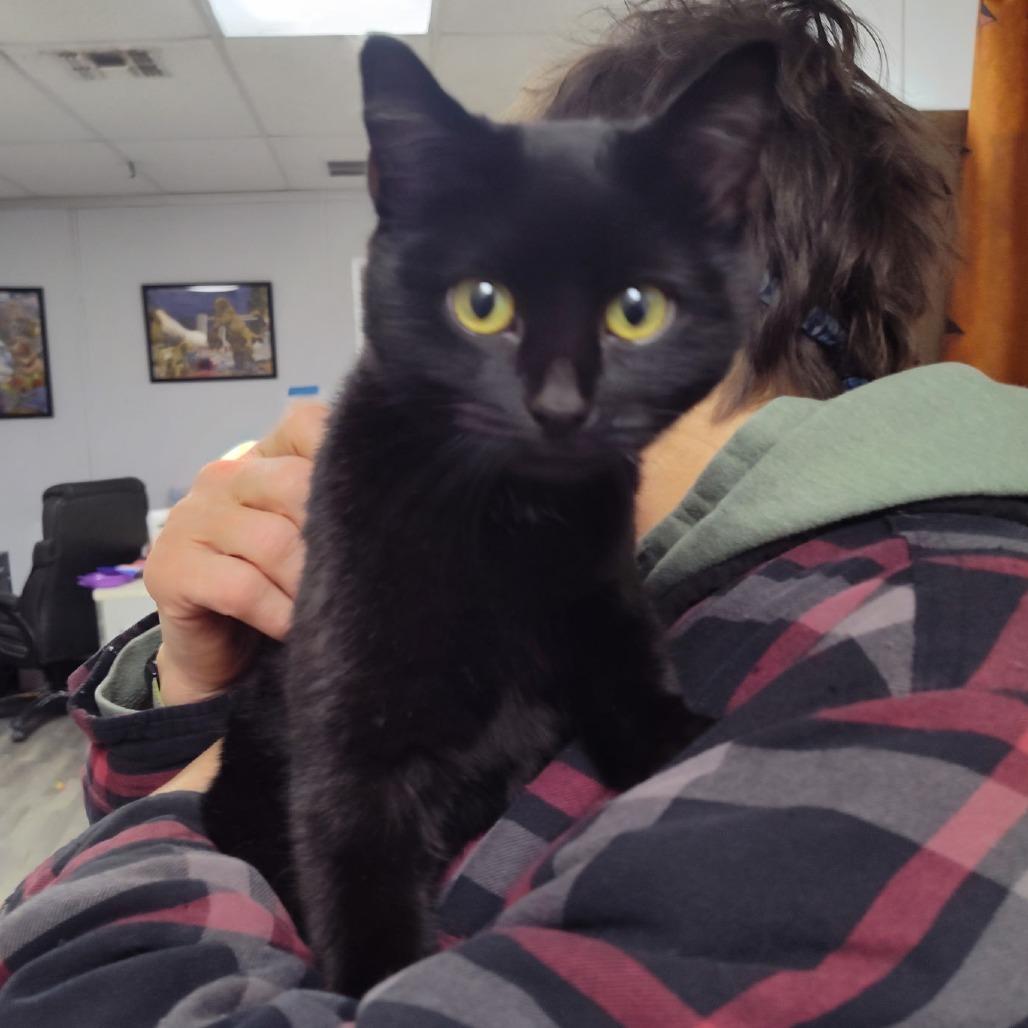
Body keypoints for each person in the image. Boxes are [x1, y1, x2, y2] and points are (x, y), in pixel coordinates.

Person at [3, 2, 1028, 1024]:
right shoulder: (622, 577)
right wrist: (211, 683)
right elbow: (309, 864)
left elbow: (78, 992)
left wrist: (240, 762)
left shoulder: (940, 673)